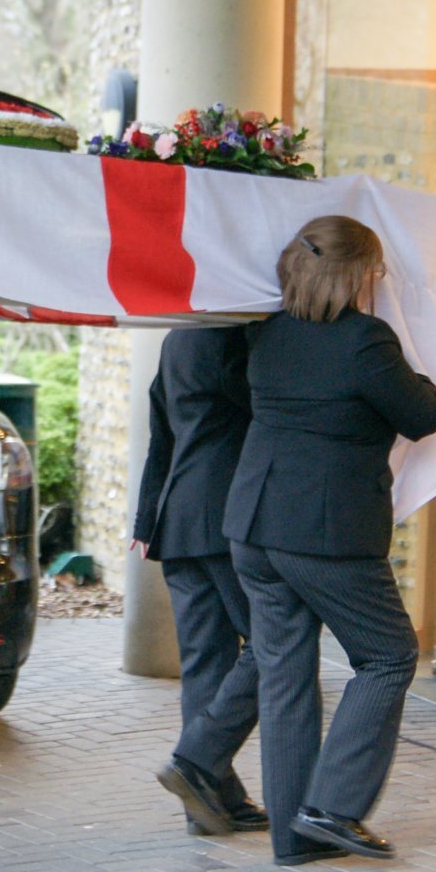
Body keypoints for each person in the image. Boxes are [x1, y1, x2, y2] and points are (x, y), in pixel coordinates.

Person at [161, 216, 436, 864]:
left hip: (252, 526)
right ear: (355, 275)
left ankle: (296, 839)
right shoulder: (364, 342)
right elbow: (424, 414)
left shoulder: (269, 336)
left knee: (283, 673)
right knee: (387, 655)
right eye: (372, 272)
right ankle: (332, 806)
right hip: (324, 534)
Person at [134, 327, 267, 836]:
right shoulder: (235, 339)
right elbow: (267, 413)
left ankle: (211, 803)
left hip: (179, 519)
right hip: (227, 517)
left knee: (205, 662)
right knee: (274, 645)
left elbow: (160, 437)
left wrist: (146, 522)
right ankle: (197, 758)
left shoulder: (176, 339)